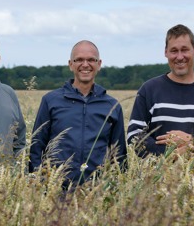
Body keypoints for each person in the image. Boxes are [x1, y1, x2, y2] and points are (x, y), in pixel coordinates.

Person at [29, 40, 127, 186]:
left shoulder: (111, 106)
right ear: (71, 64)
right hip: (55, 189)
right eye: (79, 60)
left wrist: (115, 187)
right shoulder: (51, 101)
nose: (85, 64)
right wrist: (39, 182)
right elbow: (37, 147)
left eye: (91, 60)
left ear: (99, 64)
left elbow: (119, 154)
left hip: (97, 190)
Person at [127, 24, 194, 157]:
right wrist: (167, 155)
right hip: (158, 176)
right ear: (166, 52)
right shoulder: (149, 89)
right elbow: (134, 135)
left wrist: (193, 142)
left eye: (184, 49)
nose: (179, 57)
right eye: (174, 51)